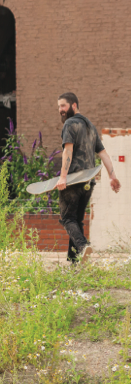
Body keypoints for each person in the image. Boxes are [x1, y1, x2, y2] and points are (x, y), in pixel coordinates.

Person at [54, 92, 121, 263]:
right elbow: (103, 153)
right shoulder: (90, 126)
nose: (60, 110)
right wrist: (112, 176)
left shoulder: (69, 124)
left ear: (74, 105)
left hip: (73, 180)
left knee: (68, 218)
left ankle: (83, 246)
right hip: (88, 182)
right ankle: (75, 262)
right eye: (59, 106)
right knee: (77, 220)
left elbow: (67, 151)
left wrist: (63, 177)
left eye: (63, 105)